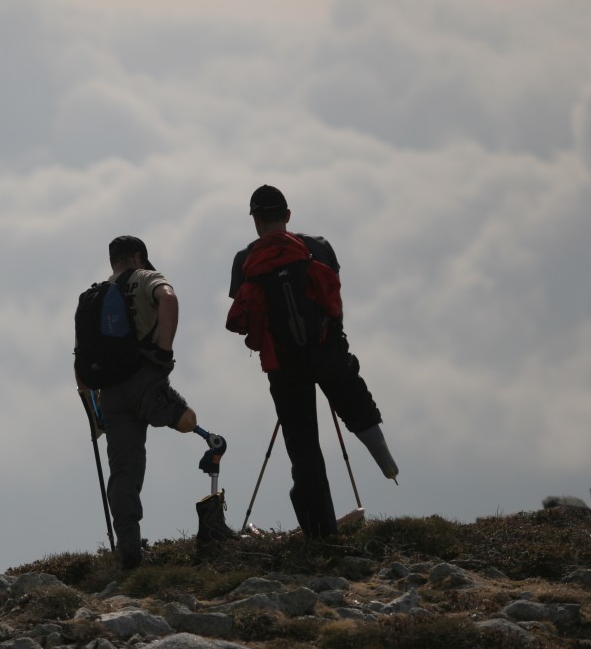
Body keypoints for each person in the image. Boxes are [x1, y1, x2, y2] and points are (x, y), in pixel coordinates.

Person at [227, 185, 398, 538]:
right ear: (287, 215)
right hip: (329, 353)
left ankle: (320, 533)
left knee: (304, 449)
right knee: (357, 409)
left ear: (256, 220)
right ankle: (388, 465)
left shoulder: (245, 261)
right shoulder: (317, 246)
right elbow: (332, 293)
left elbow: (244, 316)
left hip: (284, 366)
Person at [76, 235, 235, 569]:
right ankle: (213, 502)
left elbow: (80, 363)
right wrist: (164, 350)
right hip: (145, 381)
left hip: (110, 396)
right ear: (137, 257)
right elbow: (168, 298)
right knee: (187, 421)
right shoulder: (145, 276)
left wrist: (95, 415)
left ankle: (129, 549)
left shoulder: (94, 297)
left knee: (123, 473)